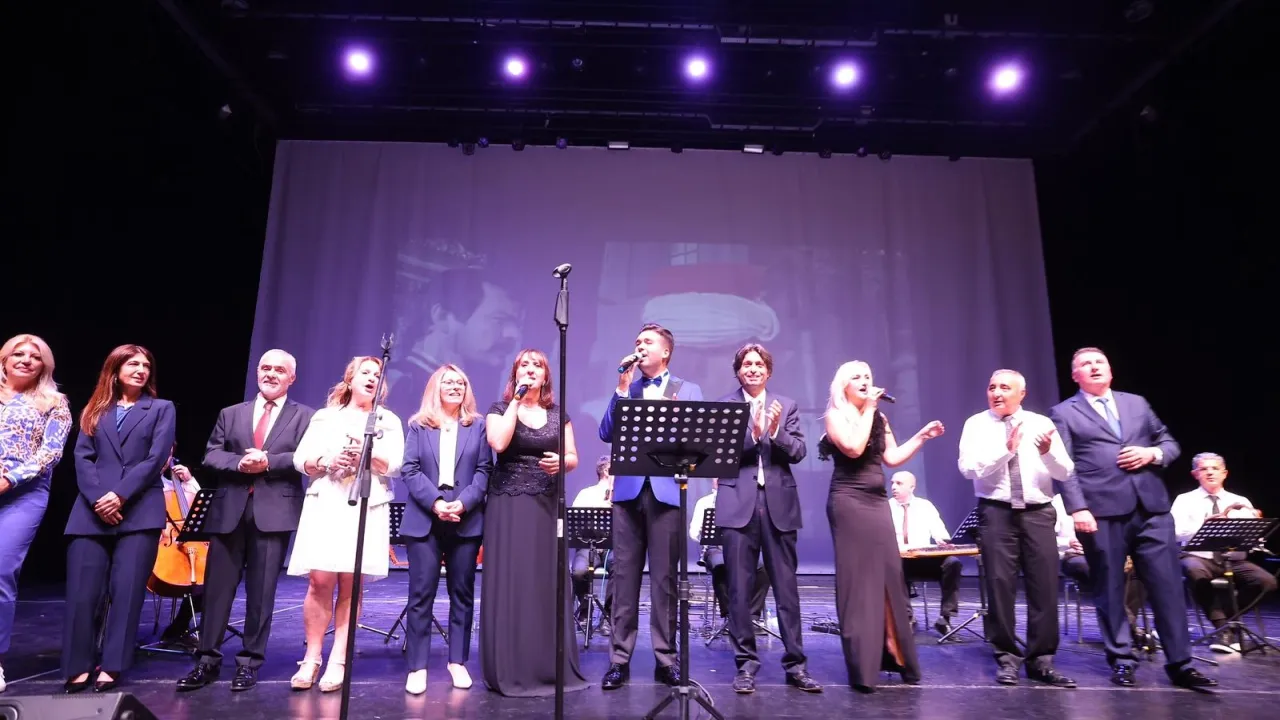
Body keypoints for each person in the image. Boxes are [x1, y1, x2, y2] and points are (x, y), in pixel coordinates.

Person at [1049, 347, 1215, 689]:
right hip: (1101, 512)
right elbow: (1065, 467)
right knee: (1110, 589)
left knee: (1168, 587)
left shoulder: (1136, 403)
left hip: (1151, 508)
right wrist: (1078, 508)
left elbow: (1168, 442)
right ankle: (1122, 659)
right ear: (1075, 375)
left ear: (1110, 370)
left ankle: (1180, 664)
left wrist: (1152, 453)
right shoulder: (1064, 412)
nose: (1094, 367)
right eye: (1085, 364)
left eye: (1100, 362)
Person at [176, 349, 315, 692]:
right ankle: (207, 661)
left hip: (274, 512)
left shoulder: (305, 416)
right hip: (229, 511)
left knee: (261, 592)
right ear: (257, 373)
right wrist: (239, 463)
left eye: (279, 370)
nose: (271, 374)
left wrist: (268, 461)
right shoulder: (231, 413)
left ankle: (249, 663)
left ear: (291, 378)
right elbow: (212, 454)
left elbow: (306, 457)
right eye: (265, 368)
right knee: (216, 591)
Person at [819, 360, 943, 691]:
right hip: (849, 501)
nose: (864, 381)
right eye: (857, 377)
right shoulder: (835, 416)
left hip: (876, 502)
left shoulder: (879, 417)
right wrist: (870, 408)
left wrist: (921, 437)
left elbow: (891, 458)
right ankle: (864, 662)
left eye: (868, 376)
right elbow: (854, 448)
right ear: (844, 385)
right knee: (859, 580)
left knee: (889, 575)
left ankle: (893, 647)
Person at [63, 345, 176, 693]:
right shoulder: (95, 410)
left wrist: (121, 495)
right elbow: (82, 458)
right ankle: (77, 665)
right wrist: (99, 498)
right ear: (115, 369)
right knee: (82, 593)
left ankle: (112, 664)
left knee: (126, 593)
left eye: (146, 365)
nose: (141, 370)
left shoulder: (161, 408)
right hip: (91, 511)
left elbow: (156, 458)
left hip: (139, 509)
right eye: (133, 363)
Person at [288, 356, 404, 692]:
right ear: (349, 379)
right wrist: (328, 460)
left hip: (366, 502)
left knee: (351, 583)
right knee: (319, 580)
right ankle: (311, 657)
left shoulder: (388, 420)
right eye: (365, 372)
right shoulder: (326, 416)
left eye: (377, 374)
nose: (372, 378)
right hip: (327, 500)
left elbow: (395, 465)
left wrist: (366, 455)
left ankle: (339, 657)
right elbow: (300, 459)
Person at [597, 323, 703, 690]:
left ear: (665, 352)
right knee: (623, 579)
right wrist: (621, 390)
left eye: (647, 342)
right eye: (637, 341)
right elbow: (606, 432)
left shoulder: (687, 390)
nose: (639, 346)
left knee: (665, 581)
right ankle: (619, 660)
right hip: (628, 493)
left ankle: (665, 659)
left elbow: (698, 441)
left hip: (667, 492)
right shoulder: (629, 388)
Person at [958, 369, 1076, 688]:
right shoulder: (976, 424)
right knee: (999, 587)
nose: (996, 393)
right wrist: (1007, 449)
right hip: (996, 512)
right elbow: (968, 468)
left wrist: (1046, 453)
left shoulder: (1041, 423)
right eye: (992, 387)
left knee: (1044, 587)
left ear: (1021, 394)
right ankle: (1007, 658)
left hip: (1038, 513)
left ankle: (1042, 661)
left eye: (1004, 387)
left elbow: (1065, 472)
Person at [714, 343, 821, 694]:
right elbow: (722, 453)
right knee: (739, 591)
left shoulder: (786, 406)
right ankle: (745, 665)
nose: (753, 369)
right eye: (747, 364)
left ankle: (796, 665)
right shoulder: (726, 406)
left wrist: (775, 431)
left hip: (779, 506)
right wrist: (756, 432)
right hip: (737, 505)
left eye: (759, 364)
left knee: (787, 591)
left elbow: (799, 451)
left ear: (769, 371)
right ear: (738, 371)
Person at [481, 349, 588, 696]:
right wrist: (516, 400)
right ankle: (510, 665)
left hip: (547, 502)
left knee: (544, 579)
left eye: (536, 365)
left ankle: (546, 664)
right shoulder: (499, 408)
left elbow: (573, 456)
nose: (530, 369)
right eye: (523, 365)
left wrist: (563, 463)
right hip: (509, 502)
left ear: (546, 376)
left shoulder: (559, 414)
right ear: (515, 374)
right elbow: (498, 443)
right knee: (514, 578)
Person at [399, 364, 491, 694]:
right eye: (448, 382)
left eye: (460, 383)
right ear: (435, 388)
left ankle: (457, 662)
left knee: (462, 594)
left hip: (466, 519)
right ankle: (417, 666)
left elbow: (484, 471)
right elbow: (409, 470)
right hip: (425, 519)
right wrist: (436, 503)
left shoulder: (478, 425)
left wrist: (463, 503)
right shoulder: (418, 425)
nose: (455, 387)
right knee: (420, 594)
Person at [0, 334, 73, 694]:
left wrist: (9, 479)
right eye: (19, 353)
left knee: (1, 570)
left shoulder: (54, 402)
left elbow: (51, 453)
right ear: (4, 359)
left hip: (23, 494)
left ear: (45, 365)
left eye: (35, 356)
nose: (26, 360)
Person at [1171, 452, 1276, 653]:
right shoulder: (1184, 500)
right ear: (1195, 474)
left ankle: (1227, 620)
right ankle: (1223, 629)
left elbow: (1253, 535)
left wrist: (1255, 532)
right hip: (1199, 556)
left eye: (1215, 468)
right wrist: (1205, 525)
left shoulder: (1240, 500)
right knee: (1194, 571)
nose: (1210, 472)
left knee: (1267, 582)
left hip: (1233, 559)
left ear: (1224, 473)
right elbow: (1174, 532)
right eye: (1204, 469)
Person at [1053, 495, 1147, 635]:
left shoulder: (1107, 496)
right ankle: (1126, 627)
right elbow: (1045, 537)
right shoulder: (1060, 500)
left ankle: (1122, 625)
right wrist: (1068, 542)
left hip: (1111, 552)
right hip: (1075, 555)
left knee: (1141, 569)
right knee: (1103, 570)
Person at [888, 471, 962, 635]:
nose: (893, 487)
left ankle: (945, 619)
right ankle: (907, 617)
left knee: (953, 563)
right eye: (892, 483)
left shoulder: (925, 506)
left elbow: (940, 532)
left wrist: (942, 540)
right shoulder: (886, 507)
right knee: (893, 565)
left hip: (924, 560)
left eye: (899, 483)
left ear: (912, 487)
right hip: (900, 561)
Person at [690, 479, 769, 626]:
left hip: (743, 546)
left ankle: (752, 615)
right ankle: (729, 615)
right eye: (717, 477)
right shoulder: (704, 502)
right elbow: (693, 533)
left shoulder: (743, 500)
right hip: (715, 548)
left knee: (763, 567)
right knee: (720, 565)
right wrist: (704, 535)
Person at [570, 456, 615, 633]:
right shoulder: (586, 493)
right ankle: (585, 610)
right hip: (589, 545)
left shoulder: (621, 495)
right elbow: (575, 521)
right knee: (579, 572)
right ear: (606, 471)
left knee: (621, 569)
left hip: (612, 547)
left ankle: (608, 615)